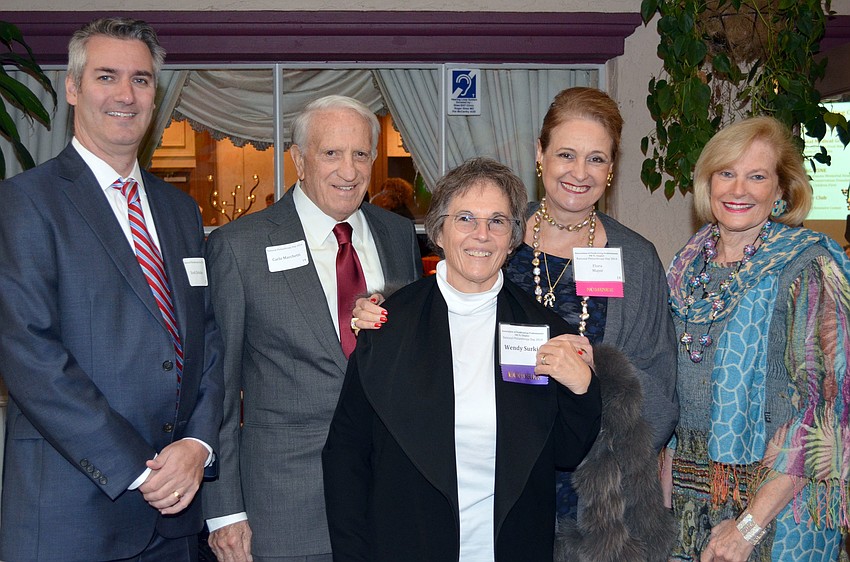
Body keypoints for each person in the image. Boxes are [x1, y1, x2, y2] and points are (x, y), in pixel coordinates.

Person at [353, 87, 678, 559]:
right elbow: (439, 303)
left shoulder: (636, 259)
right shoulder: (496, 230)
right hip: (493, 482)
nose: (579, 173)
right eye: (566, 154)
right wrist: (382, 307)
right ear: (540, 155)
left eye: (596, 159)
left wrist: (590, 422)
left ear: (611, 169)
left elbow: (660, 388)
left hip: (596, 496)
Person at [0, 17, 224, 561]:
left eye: (141, 80)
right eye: (106, 76)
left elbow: (208, 336)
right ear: (74, 88)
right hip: (71, 514)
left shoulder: (180, 212)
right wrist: (137, 468)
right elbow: (30, 354)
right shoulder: (24, 203)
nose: (126, 94)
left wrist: (196, 445)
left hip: (175, 519)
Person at [322, 157, 602, 561]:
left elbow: (565, 454)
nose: (482, 235)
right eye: (466, 218)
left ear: (513, 239)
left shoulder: (546, 330)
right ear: (439, 230)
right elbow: (346, 455)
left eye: (498, 221)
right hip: (406, 546)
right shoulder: (388, 326)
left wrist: (582, 389)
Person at [202, 95, 422, 562]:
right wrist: (224, 510)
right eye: (331, 153)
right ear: (299, 161)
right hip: (286, 511)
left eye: (360, 154)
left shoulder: (397, 236)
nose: (349, 170)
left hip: (389, 501)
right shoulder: (239, 248)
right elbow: (218, 388)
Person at [664, 116, 850, 561]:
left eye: (757, 176)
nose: (738, 189)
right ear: (708, 183)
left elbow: (823, 412)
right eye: (726, 173)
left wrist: (748, 527)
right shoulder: (688, 263)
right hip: (691, 503)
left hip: (777, 512)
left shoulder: (809, 266)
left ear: (782, 190)